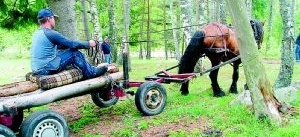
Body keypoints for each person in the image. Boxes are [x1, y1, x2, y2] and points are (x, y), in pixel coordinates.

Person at [30, 8, 114, 79]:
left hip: (37, 69)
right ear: (49, 19)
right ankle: (92, 72)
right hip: (45, 70)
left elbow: (62, 46)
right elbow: (72, 44)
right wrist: (88, 43)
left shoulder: (37, 33)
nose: (55, 21)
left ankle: (87, 68)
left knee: (65, 51)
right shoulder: (51, 33)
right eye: (53, 19)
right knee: (74, 53)